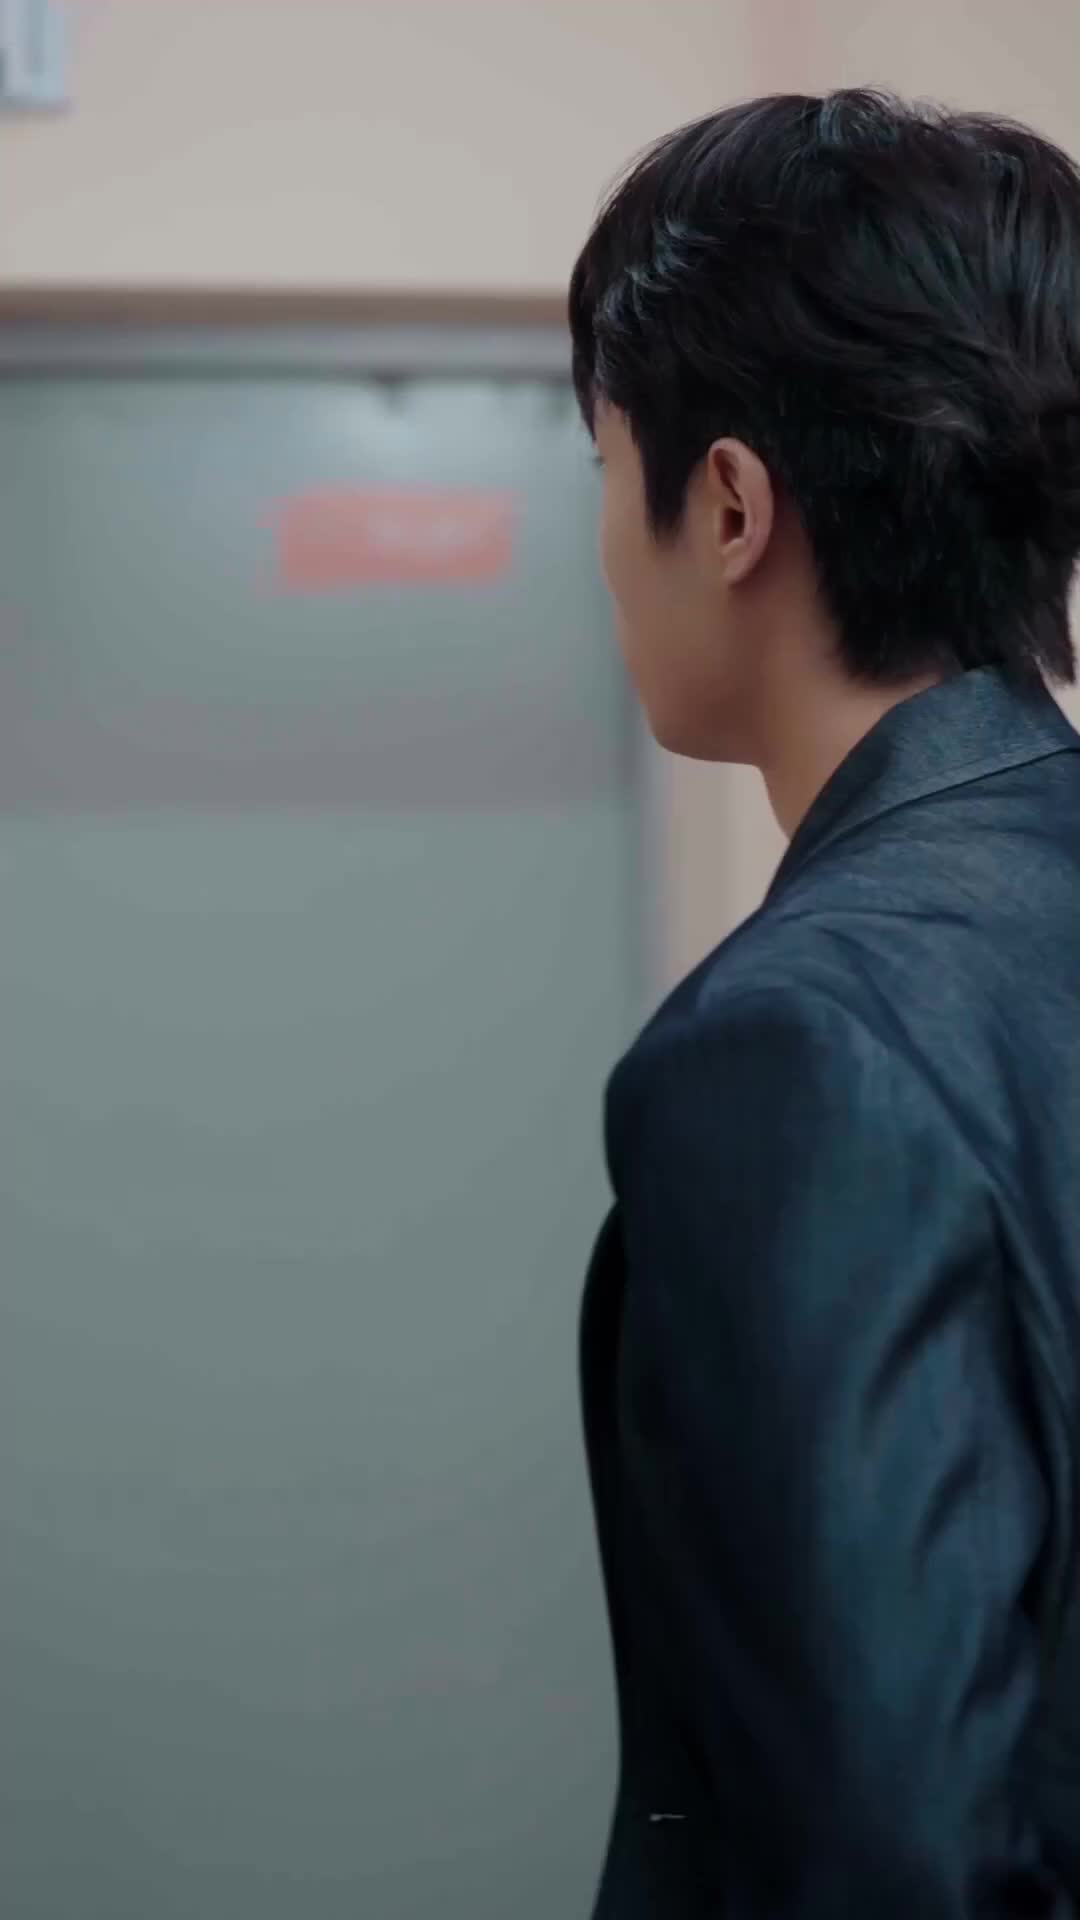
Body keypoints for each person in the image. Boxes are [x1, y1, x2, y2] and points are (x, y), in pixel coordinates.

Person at [571, 89, 1080, 1918]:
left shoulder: (795, 1050)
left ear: (726, 506)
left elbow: (890, 1856)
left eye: (601, 466)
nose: (600, 544)